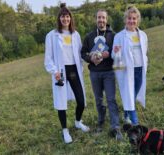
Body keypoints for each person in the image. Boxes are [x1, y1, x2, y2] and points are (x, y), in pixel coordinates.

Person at [44, 3, 89, 144]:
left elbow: (81, 53)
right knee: (61, 102)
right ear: (59, 18)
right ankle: (65, 130)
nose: (65, 19)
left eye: (67, 16)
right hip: (61, 73)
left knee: (81, 101)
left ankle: (77, 122)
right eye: (63, 16)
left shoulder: (75, 35)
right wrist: (54, 71)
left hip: (74, 71)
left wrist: (92, 56)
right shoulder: (51, 36)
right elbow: (48, 58)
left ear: (71, 18)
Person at [81, 9, 123, 140]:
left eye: (103, 18)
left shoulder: (114, 35)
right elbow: (83, 53)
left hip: (109, 72)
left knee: (111, 99)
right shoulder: (89, 36)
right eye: (99, 18)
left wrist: (109, 54)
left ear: (107, 19)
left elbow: (118, 53)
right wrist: (90, 58)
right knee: (98, 100)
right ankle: (101, 122)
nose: (101, 20)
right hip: (95, 73)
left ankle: (115, 126)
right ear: (96, 19)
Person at [112, 6, 148, 125]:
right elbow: (114, 56)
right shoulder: (119, 36)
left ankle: (126, 114)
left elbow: (145, 52)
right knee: (129, 96)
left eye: (134, 18)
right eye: (129, 18)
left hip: (140, 70)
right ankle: (135, 123)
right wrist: (116, 51)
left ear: (138, 19)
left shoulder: (143, 35)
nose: (131, 21)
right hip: (127, 71)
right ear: (125, 20)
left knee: (133, 94)